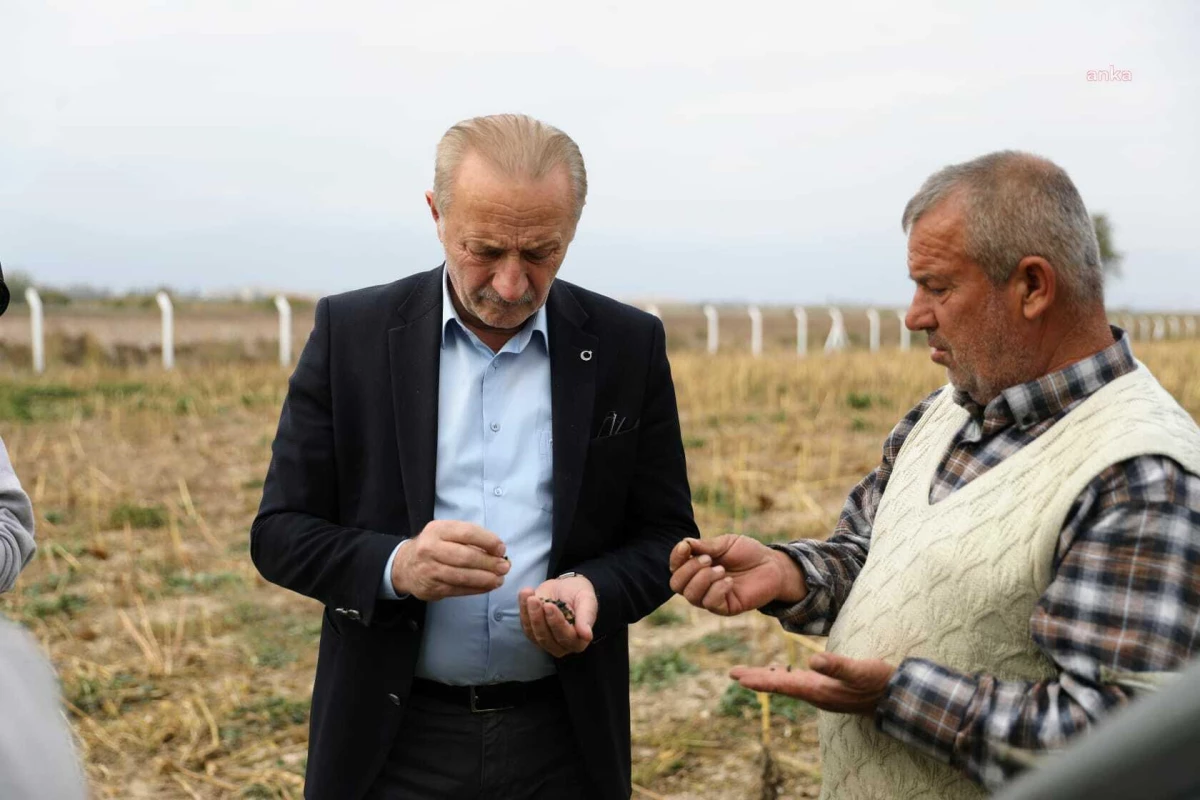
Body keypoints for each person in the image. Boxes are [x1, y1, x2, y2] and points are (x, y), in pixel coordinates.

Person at [669, 151, 1200, 799]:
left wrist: (899, 696)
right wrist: (788, 574)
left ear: (1033, 286)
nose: (915, 314)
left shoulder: (1139, 473)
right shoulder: (943, 411)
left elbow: (1125, 741)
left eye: (938, 287)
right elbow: (868, 555)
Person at [251, 113, 698, 800]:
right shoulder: (353, 335)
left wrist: (596, 592)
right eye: (484, 249)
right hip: (390, 745)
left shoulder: (627, 344)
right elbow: (279, 534)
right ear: (436, 214)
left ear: (573, 227)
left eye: (542, 253)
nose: (512, 285)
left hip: (565, 741)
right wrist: (397, 566)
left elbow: (666, 536)